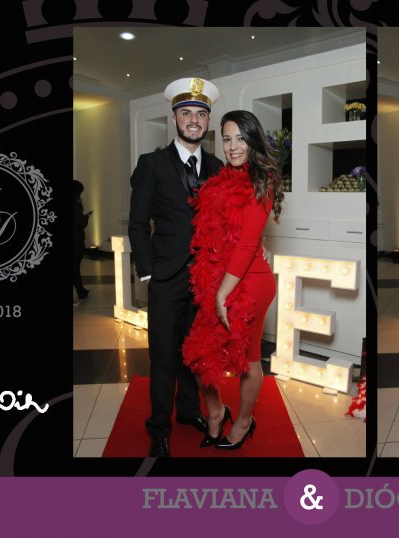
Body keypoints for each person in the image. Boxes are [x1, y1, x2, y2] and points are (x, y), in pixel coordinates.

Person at [128, 77, 223, 457]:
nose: (194, 120)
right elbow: (138, 222)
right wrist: (148, 272)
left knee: (192, 352)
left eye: (201, 113)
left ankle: (187, 412)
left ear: (208, 120)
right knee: (164, 355)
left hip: (205, 279)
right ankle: (158, 426)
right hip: (166, 277)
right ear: (174, 119)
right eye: (186, 113)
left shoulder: (217, 166)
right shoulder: (151, 164)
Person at [181, 110, 284, 450]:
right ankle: (216, 412)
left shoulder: (262, 180)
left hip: (249, 284)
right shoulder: (220, 179)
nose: (233, 146)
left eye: (241, 138)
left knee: (248, 359)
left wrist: (222, 294)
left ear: (253, 140)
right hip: (218, 281)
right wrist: (217, 288)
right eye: (227, 139)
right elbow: (221, 228)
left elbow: (245, 243)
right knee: (200, 355)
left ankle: (243, 422)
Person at [72, 180, 91, 302]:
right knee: (75, 268)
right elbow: (80, 223)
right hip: (76, 242)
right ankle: (81, 292)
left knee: (74, 269)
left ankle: (81, 291)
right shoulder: (76, 205)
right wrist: (86, 217)